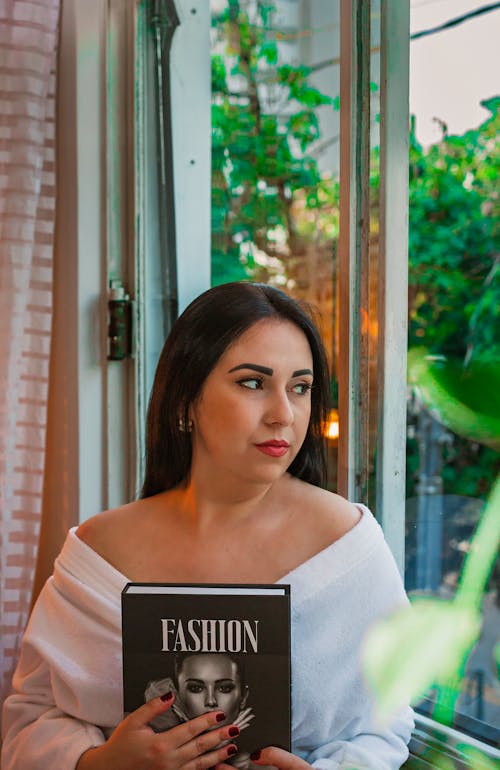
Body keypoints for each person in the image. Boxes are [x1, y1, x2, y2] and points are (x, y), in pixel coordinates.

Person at [1, 281, 414, 770]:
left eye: (300, 388)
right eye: (253, 383)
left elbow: (385, 721)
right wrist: (98, 762)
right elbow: (31, 719)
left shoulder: (347, 548)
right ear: (185, 401)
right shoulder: (98, 552)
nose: (284, 414)